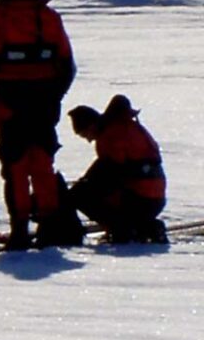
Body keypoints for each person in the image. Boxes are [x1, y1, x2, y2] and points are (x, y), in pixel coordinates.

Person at [0, 0, 80, 249]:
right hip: (44, 100)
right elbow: (67, 64)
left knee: (15, 166)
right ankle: (49, 226)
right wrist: (55, 97)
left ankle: (20, 231)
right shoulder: (49, 17)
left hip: (9, 100)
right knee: (42, 163)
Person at [68, 95, 167, 243]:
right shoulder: (126, 126)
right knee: (91, 191)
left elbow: (111, 172)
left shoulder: (111, 135)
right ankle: (145, 226)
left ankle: (121, 229)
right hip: (155, 197)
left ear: (91, 126)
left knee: (82, 197)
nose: (88, 140)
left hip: (140, 197)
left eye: (84, 135)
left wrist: (78, 191)